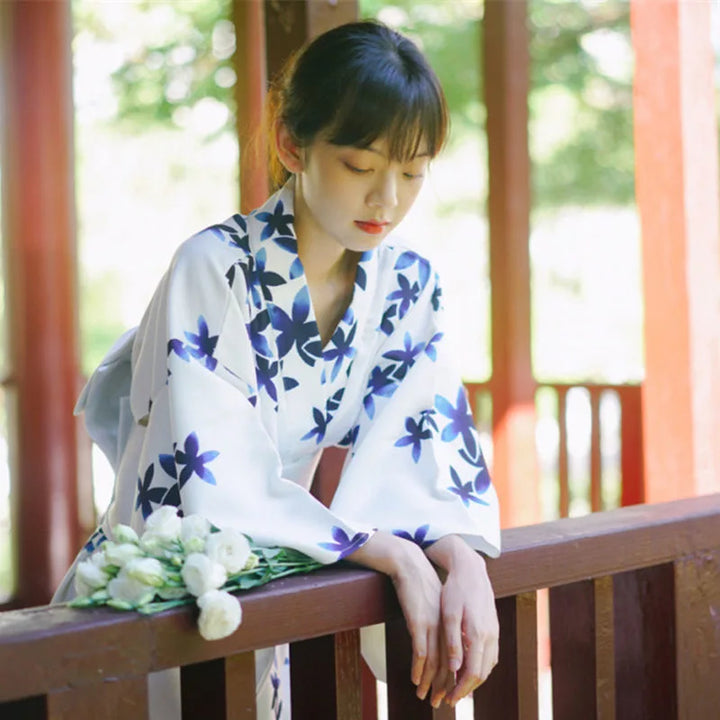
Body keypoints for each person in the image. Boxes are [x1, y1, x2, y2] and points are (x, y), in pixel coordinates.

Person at [54, 19, 501, 718]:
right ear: (294, 145)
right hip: (161, 585)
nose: (387, 199)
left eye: (412, 171)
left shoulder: (409, 285)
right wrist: (391, 553)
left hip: (277, 577)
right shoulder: (213, 268)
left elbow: (421, 450)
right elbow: (215, 478)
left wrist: (459, 557)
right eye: (361, 165)